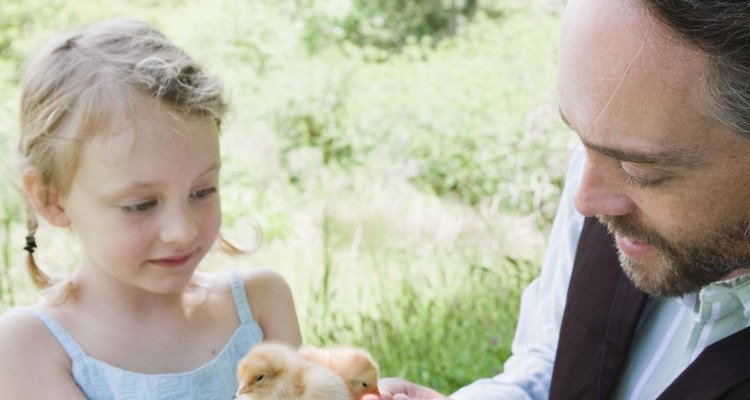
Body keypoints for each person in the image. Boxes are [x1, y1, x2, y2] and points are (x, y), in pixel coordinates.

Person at [376, 0, 750, 398]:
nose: (584, 202)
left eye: (642, 171)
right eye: (579, 141)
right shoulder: (606, 174)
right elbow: (554, 360)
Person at [0, 19, 302, 399]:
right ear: (51, 199)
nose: (183, 231)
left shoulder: (261, 304)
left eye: (203, 190)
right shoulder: (28, 347)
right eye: (140, 205)